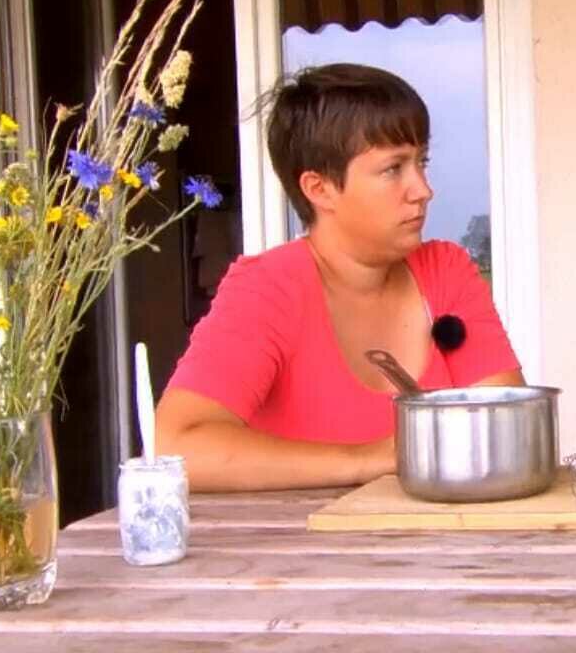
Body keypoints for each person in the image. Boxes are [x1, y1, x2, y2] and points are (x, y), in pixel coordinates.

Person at [158, 63, 524, 491]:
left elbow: (507, 431)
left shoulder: (446, 272)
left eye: (421, 162)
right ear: (320, 189)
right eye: (393, 168)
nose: (423, 189)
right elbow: (176, 448)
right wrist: (373, 459)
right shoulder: (269, 288)